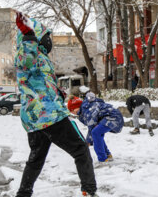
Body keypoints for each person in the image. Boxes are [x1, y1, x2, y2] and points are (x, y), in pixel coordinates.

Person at [14, 12, 97, 197]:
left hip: (37, 117)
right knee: (81, 149)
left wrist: (58, 94)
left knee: (36, 159)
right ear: (36, 39)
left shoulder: (40, 57)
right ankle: (89, 191)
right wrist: (28, 36)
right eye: (46, 37)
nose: (49, 41)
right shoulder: (28, 52)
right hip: (48, 115)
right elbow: (24, 61)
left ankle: (23, 194)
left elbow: (38, 84)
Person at [78, 92, 124, 162]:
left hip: (112, 117)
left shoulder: (89, 107)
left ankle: (102, 159)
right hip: (114, 117)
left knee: (95, 133)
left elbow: (91, 124)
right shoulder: (90, 105)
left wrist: (88, 141)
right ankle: (107, 155)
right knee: (97, 133)